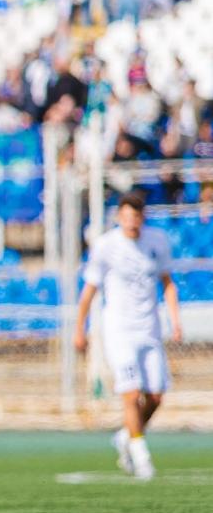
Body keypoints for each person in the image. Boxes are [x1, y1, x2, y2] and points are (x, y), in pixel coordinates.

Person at [74, 192, 181, 480]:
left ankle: (126, 435)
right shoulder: (106, 246)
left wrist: (175, 321)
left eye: (136, 216)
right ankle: (140, 454)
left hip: (150, 328)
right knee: (131, 393)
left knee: (155, 396)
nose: (131, 222)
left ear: (142, 217)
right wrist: (79, 328)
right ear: (119, 218)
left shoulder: (156, 241)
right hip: (119, 330)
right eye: (126, 217)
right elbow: (89, 291)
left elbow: (168, 283)